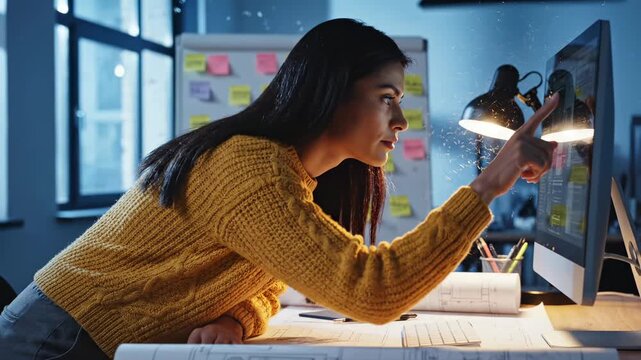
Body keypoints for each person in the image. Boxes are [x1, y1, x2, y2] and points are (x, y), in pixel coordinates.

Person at [0, 18, 559, 359]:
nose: (402, 121)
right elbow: (371, 291)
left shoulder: (292, 177)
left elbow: (270, 283)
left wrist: (232, 318)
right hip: (56, 342)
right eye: (387, 97)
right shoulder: (250, 168)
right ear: (332, 93)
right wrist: (488, 185)